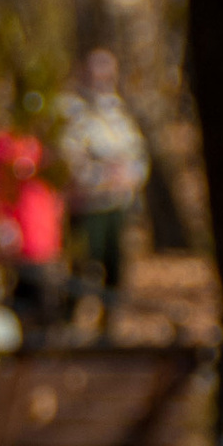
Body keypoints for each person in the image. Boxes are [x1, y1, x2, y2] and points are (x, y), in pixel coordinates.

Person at [55, 46, 149, 302]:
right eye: (96, 72)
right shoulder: (72, 111)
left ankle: (110, 324)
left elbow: (138, 154)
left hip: (117, 203)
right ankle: (71, 321)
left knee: (115, 266)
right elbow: (69, 158)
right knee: (83, 265)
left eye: (108, 73)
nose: (102, 79)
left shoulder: (119, 111)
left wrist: (131, 176)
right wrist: (101, 176)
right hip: (87, 204)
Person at [0, 123, 70, 340]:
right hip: (20, 263)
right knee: (22, 306)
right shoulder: (5, 191)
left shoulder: (40, 191)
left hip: (44, 258)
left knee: (45, 306)